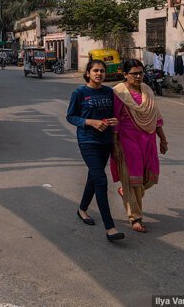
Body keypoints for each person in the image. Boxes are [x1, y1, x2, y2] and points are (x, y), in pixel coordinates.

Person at [66, 59, 124, 242]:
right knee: (100, 180)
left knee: (94, 176)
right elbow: (70, 116)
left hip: (105, 141)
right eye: (95, 71)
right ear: (88, 73)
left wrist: (114, 121)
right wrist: (90, 122)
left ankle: (82, 209)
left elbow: (115, 115)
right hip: (88, 141)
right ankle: (110, 227)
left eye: (102, 71)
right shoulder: (80, 93)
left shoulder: (109, 92)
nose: (99, 74)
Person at [111, 59, 168, 233]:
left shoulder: (147, 90)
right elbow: (115, 119)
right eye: (134, 73)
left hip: (148, 141)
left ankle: (125, 191)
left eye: (140, 73)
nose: (138, 76)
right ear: (125, 75)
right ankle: (135, 217)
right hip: (128, 141)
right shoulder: (119, 93)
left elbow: (156, 118)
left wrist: (163, 140)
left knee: (149, 178)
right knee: (133, 179)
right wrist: (114, 144)